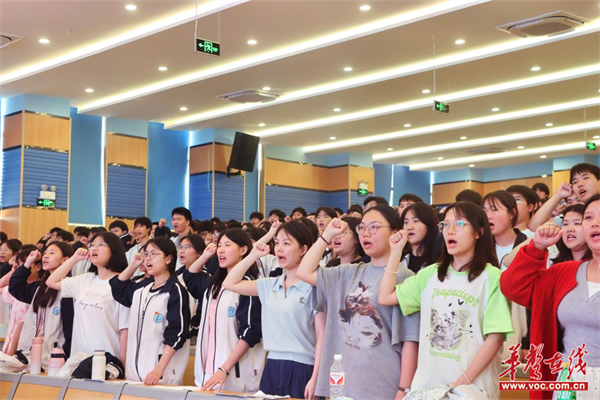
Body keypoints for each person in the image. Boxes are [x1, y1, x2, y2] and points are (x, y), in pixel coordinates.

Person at [378, 201, 514, 400]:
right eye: (446, 224)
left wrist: (459, 384)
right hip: (427, 388)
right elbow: (385, 297)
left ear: (479, 232)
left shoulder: (493, 277)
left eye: (459, 224)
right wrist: (396, 252)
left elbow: (495, 338)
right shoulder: (430, 274)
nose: (450, 231)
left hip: (470, 391)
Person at [297, 205, 420, 400]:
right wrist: (327, 235)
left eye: (374, 227)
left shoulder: (407, 278)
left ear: (395, 233)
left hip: (382, 386)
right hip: (343, 385)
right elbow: (304, 272)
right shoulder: (349, 271)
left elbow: (410, 341)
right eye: (362, 228)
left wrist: (404, 389)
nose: (366, 234)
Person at [500, 194, 600, 400]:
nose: (595, 223)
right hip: (568, 380)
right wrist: (536, 247)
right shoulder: (564, 272)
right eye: (589, 217)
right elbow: (513, 287)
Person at [223, 222, 325, 400]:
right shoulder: (269, 285)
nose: (279, 249)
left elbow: (323, 336)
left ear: (303, 249)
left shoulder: (314, 286)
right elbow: (229, 283)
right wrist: (253, 255)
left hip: (304, 368)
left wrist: (316, 377)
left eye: (286, 243)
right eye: (277, 243)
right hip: (271, 366)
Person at [184, 228, 265, 392]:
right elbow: (190, 277)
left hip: (235, 376)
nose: (221, 250)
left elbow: (250, 333)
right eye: (219, 245)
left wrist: (224, 369)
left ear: (243, 250)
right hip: (208, 375)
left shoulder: (249, 286)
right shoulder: (213, 284)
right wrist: (205, 256)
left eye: (227, 245)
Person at [110, 237, 191, 385]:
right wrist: (133, 266)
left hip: (161, 376)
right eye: (146, 254)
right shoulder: (141, 290)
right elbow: (117, 287)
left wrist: (159, 369)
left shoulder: (175, 291)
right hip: (133, 375)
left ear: (168, 259)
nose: (148, 259)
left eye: (154, 254)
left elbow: (177, 333)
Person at [46, 232, 130, 362]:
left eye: (101, 245)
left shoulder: (122, 285)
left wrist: (122, 364)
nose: (94, 248)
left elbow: (125, 331)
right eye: (92, 245)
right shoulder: (84, 280)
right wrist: (74, 258)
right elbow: (51, 282)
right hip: (78, 360)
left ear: (114, 250)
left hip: (106, 361)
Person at [8, 242, 74, 368]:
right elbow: (15, 288)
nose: (46, 256)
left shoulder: (68, 289)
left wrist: (65, 357)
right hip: (29, 355)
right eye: (45, 253)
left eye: (52, 253)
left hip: (54, 359)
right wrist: (28, 262)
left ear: (65, 260)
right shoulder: (39, 288)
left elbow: (70, 329)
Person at [2, 245, 42, 355]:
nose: (22, 268)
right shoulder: (19, 289)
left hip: (22, 348)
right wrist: (12, 272)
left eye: (25, 264)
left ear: (38, 267)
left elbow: (21, 326)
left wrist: (11, 354)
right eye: (20, 265)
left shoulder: (35, 291)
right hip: (9, 342)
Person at [399, 203, 440, 273]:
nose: (409, 227)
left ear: (429, 224)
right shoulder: (400, 257)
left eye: (416, 221)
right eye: (406, 222)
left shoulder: (440, 259)